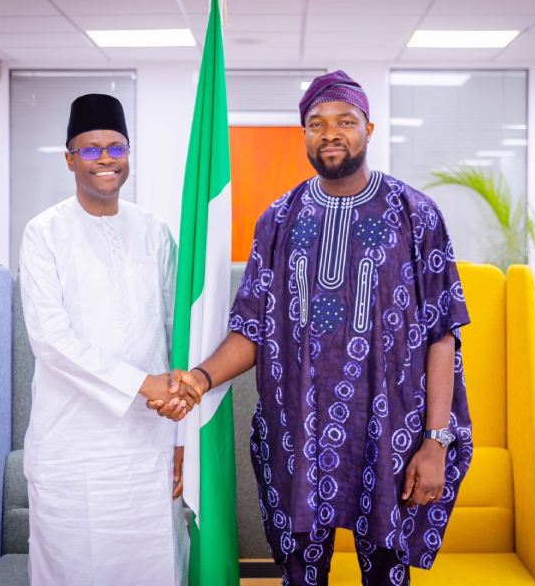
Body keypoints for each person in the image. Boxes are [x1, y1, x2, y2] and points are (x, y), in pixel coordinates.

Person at [163, 70, 473, 585]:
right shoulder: (278, 219)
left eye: (345, 121)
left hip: (390, 436)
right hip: (299, 436)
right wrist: (199, 378)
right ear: (303, 133)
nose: (331, 132)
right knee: (301, 575)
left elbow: (444, 333)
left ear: (368, 129)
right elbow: (252, 327)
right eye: (316, 122)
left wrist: (435, 442)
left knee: (386, 574)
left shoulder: (416, 214)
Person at [19, 93, 194, 585]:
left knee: (155, 567)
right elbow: (51, 340)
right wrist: (143, 384)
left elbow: (173, 333)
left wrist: (182, 436)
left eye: (115, 148)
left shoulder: (154, 230)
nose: (105, 160)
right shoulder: (44, 233)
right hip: (72, 447)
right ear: (70, 158)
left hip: (148, 446)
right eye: (91, 149)